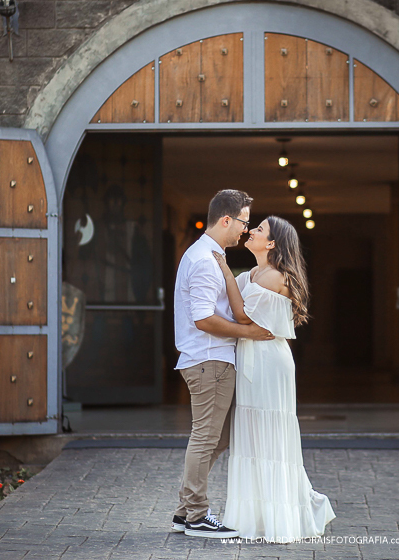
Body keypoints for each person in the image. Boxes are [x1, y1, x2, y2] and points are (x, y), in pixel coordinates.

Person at [212, 215, 336, 542]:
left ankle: (278, 515)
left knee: (269, 433)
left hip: (268, 363)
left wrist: (225, 269)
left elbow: (240, 314)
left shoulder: (275, 277)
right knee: (251, 435)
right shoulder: (253, 273)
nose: (251, 230)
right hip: (252, 359)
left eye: (260, 229)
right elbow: (226, 304)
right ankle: (256, 516)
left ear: (271, 244)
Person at [171, 190, 274, 538]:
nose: (246, 230)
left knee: (218, 437)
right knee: (205, 438)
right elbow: (202, 319)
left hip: (211, 360)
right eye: (244, 222)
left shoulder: (211, 256)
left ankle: (186, 510)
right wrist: (248, 332)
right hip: (209, 360)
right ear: (226, 220)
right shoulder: (203, 260)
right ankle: (197, 516)